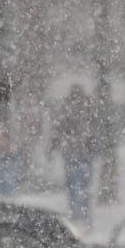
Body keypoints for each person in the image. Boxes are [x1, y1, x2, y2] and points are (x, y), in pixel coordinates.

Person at [49, 85, 101, 228]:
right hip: (72, 155)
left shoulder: (89, 115)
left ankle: (83, 216)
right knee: (74, 187)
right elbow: (58, 133)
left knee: (82, 187)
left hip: (83, 156)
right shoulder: (68, 115)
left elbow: (95, 135)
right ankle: (76, 215)